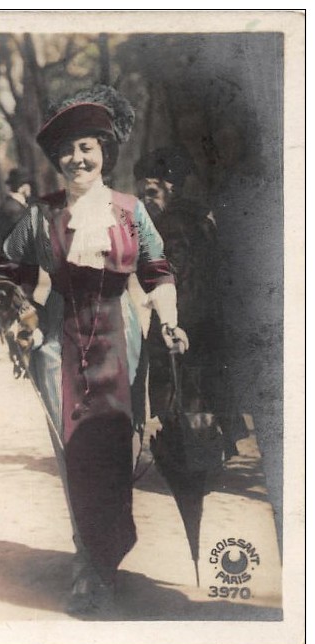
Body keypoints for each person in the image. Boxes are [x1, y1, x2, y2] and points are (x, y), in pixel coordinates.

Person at [0, 85, 189, 615]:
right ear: (57, 159)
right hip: (59, 342)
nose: (77, 159)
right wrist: (21, 322)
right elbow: (7, 273)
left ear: (104, 152)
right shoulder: (40, 215)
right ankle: (90, 566)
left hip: (120, 341)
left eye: (87, 148)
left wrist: (167, 320)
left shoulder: (128, 211)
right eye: (67, 151)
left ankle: (108, 555)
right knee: (76, 454)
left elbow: (157, 270)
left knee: (114, 455)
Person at [134, 147, 245, 461]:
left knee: (180, 381)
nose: (146, 199)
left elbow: (175, 271)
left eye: (151, 191)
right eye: (143, 193)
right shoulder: (199, 216)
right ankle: (213, 445)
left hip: (186, 313)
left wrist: (171, 320)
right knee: (203, 381)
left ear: (170, 187)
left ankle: (192, 451)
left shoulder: (171, 223)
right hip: (208, 314)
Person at [0, 167, 35, 250]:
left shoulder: (14, 205)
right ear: (22, 186)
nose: (30, 188)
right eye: (28, 184)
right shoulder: (13, 208)